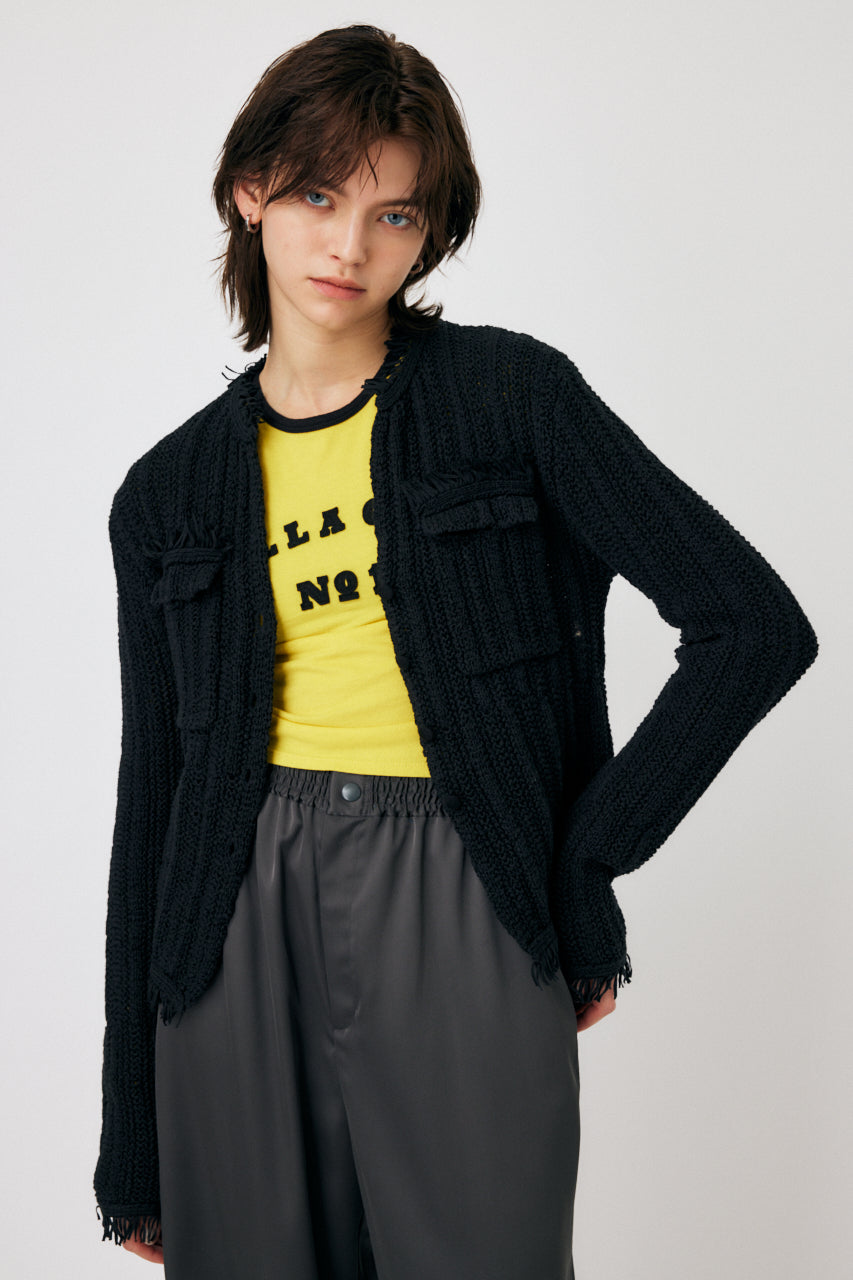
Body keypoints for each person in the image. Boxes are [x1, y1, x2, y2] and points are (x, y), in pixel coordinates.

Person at [92, 22, 819, 1280]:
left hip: (460, 876)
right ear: (249, 191)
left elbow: (751, 625)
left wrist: (583, 853)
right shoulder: (164, 495)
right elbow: (152, 794)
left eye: (394, 214)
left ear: (428, 233)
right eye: (317, 196)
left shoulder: (510, 398)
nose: (350, 246)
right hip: (228, 908)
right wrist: (130, 1137)